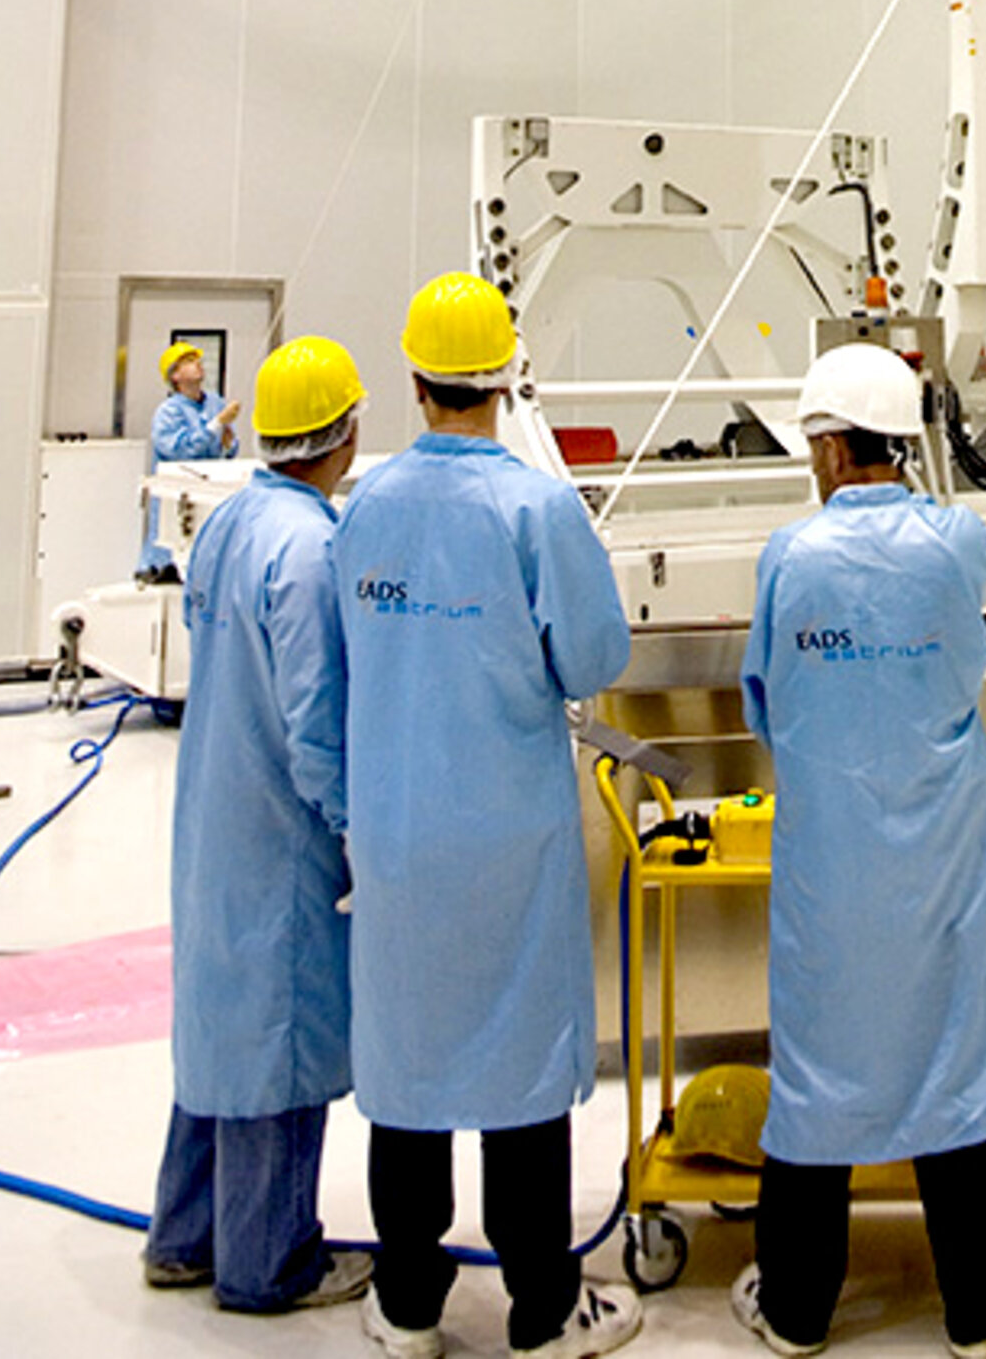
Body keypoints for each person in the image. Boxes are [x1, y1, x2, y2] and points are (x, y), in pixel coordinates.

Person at [735, 343, 986, 1359]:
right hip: (946, 842)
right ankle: (980, 1302)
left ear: (831, 448)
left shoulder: (790, 557)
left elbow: (763, 696)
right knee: (953, 1050)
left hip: (831, 853)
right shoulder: (953, 541)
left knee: (824, 1062)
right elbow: (980, 577)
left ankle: (795, 1302)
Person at [333, 272, 640, 1359]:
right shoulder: (538, 506)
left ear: (413, 377)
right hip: (510, 828)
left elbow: (341, 663)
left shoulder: (363, 504)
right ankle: (544, 1310)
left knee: (408, 1061)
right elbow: (597, 655)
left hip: (399, 829)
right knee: (519, 1067)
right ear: (510, 377)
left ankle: (409, 1301)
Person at [144, 333, 372, 1312]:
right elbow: (315, 715)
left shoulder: (233, 522)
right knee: (279, 1032)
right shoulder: (313, 547)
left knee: (218, 1024)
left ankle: (184, 1231)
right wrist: (358, 824)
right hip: (282, 829)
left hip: (213, 811)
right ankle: (266, 1258)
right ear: (347, 430)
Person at [139, 340, 242, 578]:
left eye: (197, 360)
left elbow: (227, 451)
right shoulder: (168, 412)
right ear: (175, 375)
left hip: (211, 497)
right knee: (173, 562)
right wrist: (216, 425)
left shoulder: (215, 403)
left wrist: (228, 445)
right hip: (179, 504)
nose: (197, 365)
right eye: (188, 362)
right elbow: (180, 451)